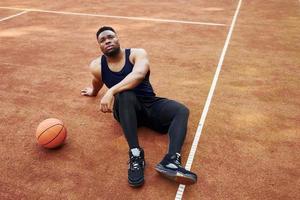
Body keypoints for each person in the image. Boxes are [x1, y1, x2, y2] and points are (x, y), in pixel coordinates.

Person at [81, 26, 197, 187]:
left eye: (110, 37)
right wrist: (94, 91)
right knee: (125, 94)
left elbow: (138, 75)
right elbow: (97, 80)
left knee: (181, 110)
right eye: (102, 40)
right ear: (99, 46)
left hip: (149, 104)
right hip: (126, 110)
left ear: (118, 38)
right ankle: (136, 155)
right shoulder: (96, 66)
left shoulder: (137, 54)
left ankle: (171, 161)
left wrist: (111, 91)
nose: (107, 41)